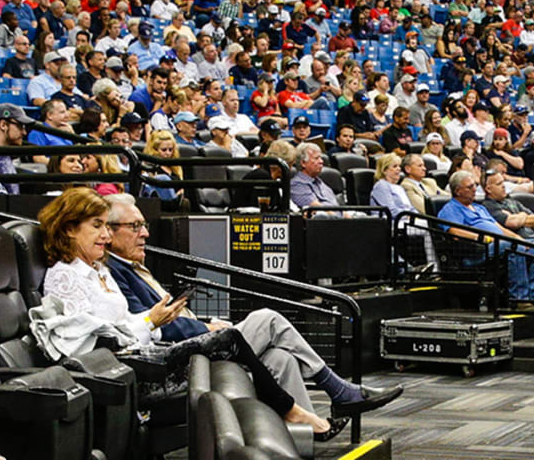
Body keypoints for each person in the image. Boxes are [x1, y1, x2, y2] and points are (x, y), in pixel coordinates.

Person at [33, 189, 347, 440]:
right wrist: (151, 322)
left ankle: (299, 431)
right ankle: (299, 410)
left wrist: (151, 322)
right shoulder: (64, 275)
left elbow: (123, 324)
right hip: (129, 370)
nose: (105, 235)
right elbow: (91, 343)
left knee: (279, 357)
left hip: (144, 350)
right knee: (235, 335)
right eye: (97, 226)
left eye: (106, 225)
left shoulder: (97, 269)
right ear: (70, 229)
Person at [97, 195, 400, 416]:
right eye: (135, 226)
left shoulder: (134, 266)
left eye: (144, 225)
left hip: (200, 339)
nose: (145, 233)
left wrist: (206, 323)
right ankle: (338, 390)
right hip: (182, 355)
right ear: (109, 232)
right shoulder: (114, 271)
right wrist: (207, 328)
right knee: (268, 319)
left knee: (280, 357)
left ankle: (304, 435)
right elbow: (156, 328)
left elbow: (169, 316)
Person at [437, 171, 534, 300]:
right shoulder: (450, 209)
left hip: (498, 245)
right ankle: (519, 298)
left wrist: (519, 239)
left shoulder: (479, 208)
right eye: (470, 187)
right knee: (513, 247)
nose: (475, 189)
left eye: (474, 185)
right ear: (458, 191)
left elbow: (500, 228)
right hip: (478, 251)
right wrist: (479, 237)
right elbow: (454, 232)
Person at [288, 144, 337, 209]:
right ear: (303, 163)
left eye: (321, 158)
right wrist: (343, 216)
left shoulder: (321, 183)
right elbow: (320, 211)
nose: (321, 161)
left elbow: (338, 208)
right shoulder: (296, 185)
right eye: (316, 158)